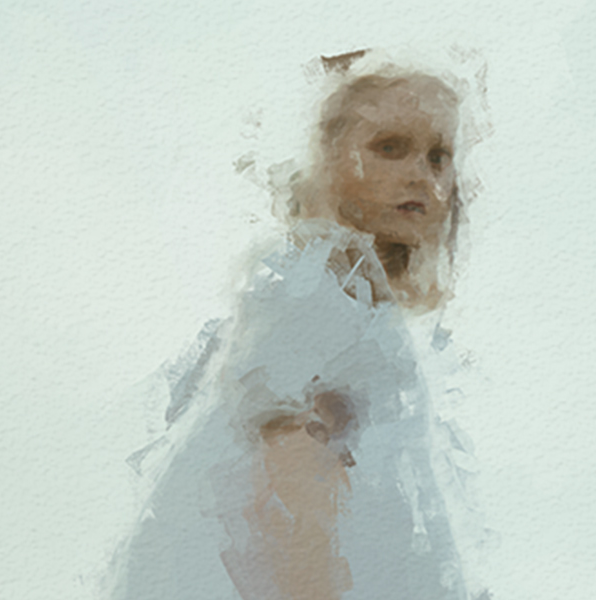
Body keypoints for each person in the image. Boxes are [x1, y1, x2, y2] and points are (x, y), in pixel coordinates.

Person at [110, 53, 489, 600]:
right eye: (389, 148)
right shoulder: (317, 285)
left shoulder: (354, 295)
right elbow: (293, 477)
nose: (419, 174)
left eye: (438, 157)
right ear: (331, 162)